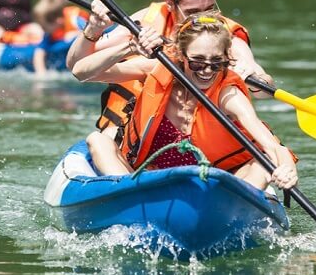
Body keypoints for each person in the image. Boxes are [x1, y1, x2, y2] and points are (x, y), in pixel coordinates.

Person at [72, 12, 297, 190]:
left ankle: (230, 214)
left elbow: (271, 145)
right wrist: (130, 46)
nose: (207, 71)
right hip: (148, 180)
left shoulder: (228, 94)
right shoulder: (158, 68)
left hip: (213, 187)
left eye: (216, 62)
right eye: (197, 62)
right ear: (181, 55)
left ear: (226, 58)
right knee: (98, 140)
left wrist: (287, 169)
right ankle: (130, 198)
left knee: (262, 164)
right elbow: (81, 72)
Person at [66, 0, 274, 142]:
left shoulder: (225, 35)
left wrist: (257, 81)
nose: (201, 19)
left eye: (209, 9)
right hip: (138, 124)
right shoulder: (143, 23)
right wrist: (93, 30)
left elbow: (263, 89)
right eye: (192, 11)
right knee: (107, 138)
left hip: (200, 131)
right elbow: (77, 66)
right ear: (169, 2)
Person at [31, 4, 88, 76]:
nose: (42, 30)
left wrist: (76, 34)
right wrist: (41, 72)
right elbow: (39, 51)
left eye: (44, 27)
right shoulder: (49, 34)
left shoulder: (75, 20)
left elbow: (90, 32)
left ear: (58, 21)